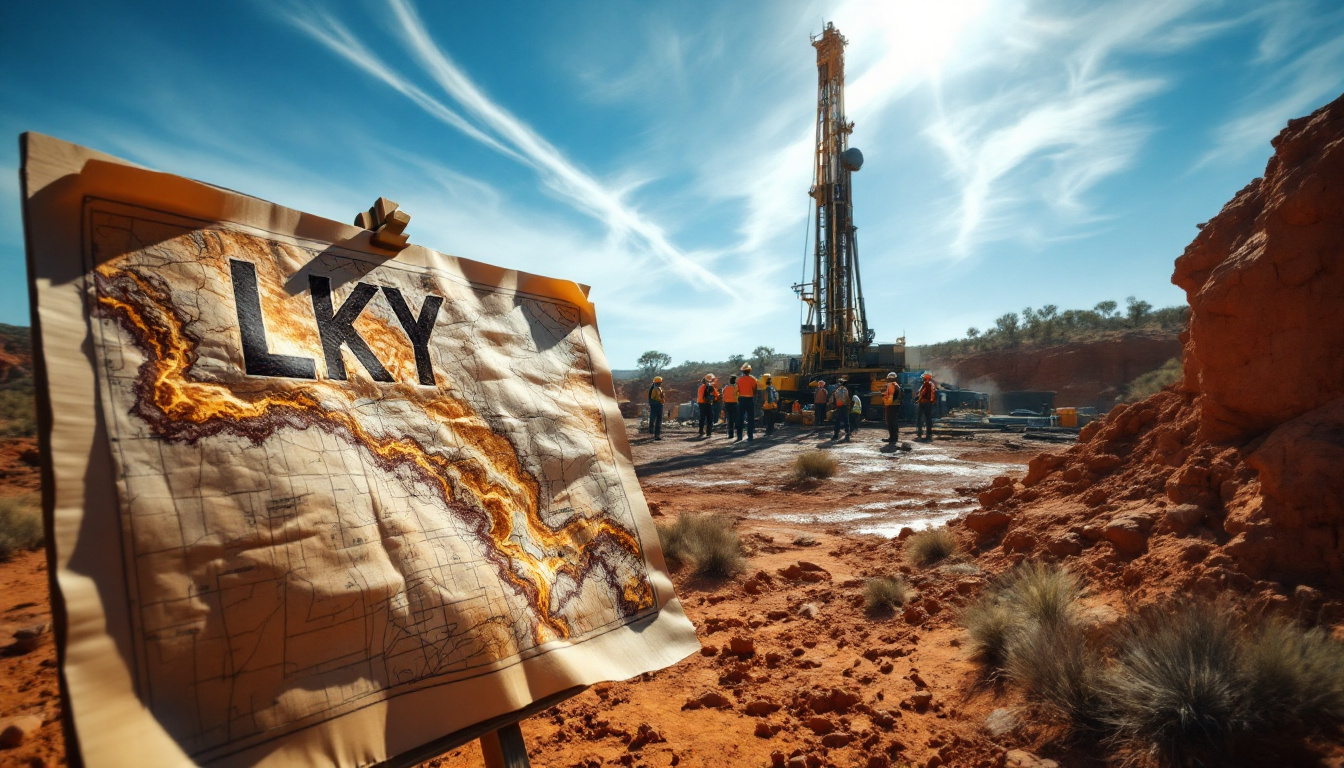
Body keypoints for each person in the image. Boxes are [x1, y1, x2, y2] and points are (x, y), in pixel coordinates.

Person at [736, 363, 758, 442]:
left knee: (740, 417)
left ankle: (739, 436)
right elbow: (755, 390)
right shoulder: (753, 379)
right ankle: (750, 436)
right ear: (749, 371)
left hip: (741, 399)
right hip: (749, 399)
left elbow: (737, 390)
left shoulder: (739, 380)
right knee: (750, 418)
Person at [881, 371, 902, 444]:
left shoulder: (890, 385)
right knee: (894, 421)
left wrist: (887, 402)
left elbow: (891, 396)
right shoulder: (896, 385)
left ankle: (892, 438)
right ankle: (894, 437)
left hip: (891, 405)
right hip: (896, 404)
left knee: (890, 421)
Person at [916, 372, 936, 440]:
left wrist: (919, 400)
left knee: (920, 417)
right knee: (928, 418)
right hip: (929, 403)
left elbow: (923, 393)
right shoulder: (931, 384)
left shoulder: (927, 383)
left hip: (924, 403)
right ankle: (929, 433)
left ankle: (920, 432)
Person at [831, 376, 852, 441]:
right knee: (846, 420)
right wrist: (849, 405)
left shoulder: (837, 391)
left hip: (839, 407)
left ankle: (835, 435)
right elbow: (847, 398)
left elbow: (833, 400)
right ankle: (847, 433)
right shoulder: (845, 390)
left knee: (837, 421)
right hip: (844, 406)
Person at [722, 375, 740, 440]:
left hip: (727, 404)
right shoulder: (737, 388)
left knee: (730, 419)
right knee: (737, 419)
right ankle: (739, 435)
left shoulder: (726, 388)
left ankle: (731, 434)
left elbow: (723, 397)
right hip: (735, 403)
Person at [647, 376, 665, 440]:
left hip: (657, 405)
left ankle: (654, 432)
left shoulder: (656, 388)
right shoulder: (655, 389)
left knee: (656, 419)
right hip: (657, 405)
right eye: (660, 382)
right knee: (658, 420)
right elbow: (653, 398)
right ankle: (656, 434)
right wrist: (660, 398)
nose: (660, 383)